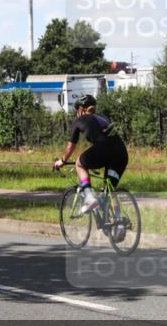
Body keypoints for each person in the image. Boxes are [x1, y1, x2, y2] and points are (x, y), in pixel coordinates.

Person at [52, 94, 129, 227]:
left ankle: (89, 197)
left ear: (80, 110)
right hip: (121, 153)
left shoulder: (79, 120)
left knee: (80, 163)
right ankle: (119, 223)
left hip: (104, 150)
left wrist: (62, 161)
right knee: (109, 190)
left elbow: (71, 146)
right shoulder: (103, 117)